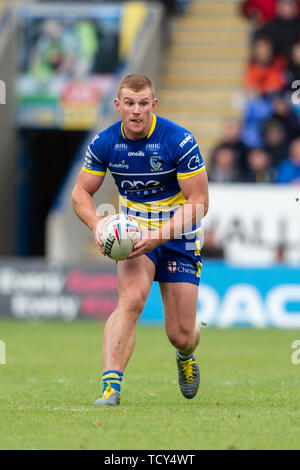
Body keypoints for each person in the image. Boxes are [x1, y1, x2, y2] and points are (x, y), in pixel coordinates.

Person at [71, 74, 209, 406]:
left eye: (143, 103)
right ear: (118, 105)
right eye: (129, 104)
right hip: (132, 234)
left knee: (181, 334)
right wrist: (97, 226)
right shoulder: (104, 143)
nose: (136, 111)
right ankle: (110, 387)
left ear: (153, 105)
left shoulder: (179, 140)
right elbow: (80, 193)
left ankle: (185, 356)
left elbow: (199, 202)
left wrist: (158, 237)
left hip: (178, 234)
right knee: (131, 300)